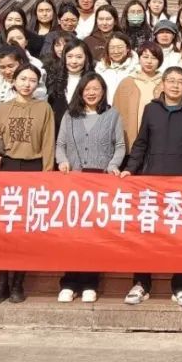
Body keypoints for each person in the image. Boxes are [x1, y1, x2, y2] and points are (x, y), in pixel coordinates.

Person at [120, 67, 182, 308]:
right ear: (162, 84)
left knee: (180, 236)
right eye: (170, 81)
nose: (175, 85)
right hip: (151, 182)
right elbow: (141, 142)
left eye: (180, 82)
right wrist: (130, 168)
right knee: (146, 234)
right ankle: (141, 283)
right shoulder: (151, 109)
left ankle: (180, 285)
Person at [0, 64, 55, 305]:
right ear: (13, 81)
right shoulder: (2, 108)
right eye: (23, 79)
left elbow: (48, 143)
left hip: (33, 169)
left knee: (25, 230)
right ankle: (1, 282)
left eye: (32, 80)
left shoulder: (44, 108)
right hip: (7, 167)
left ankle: (18, 283)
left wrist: (47, 174)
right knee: (3, 229)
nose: (27, 84)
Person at [56, 73, 125, 303]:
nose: (91, 93)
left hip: (100, 182)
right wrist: (62, 161)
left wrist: (113, 165)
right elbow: (60, 144)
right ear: (80, 91)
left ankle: (89, 282)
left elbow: (120, 146)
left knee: (94, 235)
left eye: (96, 88)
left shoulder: (112, 115)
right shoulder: (70, 115)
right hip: (74, 181)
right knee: (72, 234)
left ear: (103, 91)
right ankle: (69, 282)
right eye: (87, 89)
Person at [113, 42, 164, 151]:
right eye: (145, 57)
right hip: (134, 141)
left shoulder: (165, 83)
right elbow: (116, 112)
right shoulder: (127, 82)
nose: (149, 61)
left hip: (159, 142)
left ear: (160, 61)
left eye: (154, 58)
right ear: (139, 58)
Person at [47, 38, 94, 134]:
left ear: (86, 58)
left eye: (79, 57)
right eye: (70, 56)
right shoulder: (54, 81)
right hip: (59, 135)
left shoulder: (94, 81)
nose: (74, 61)